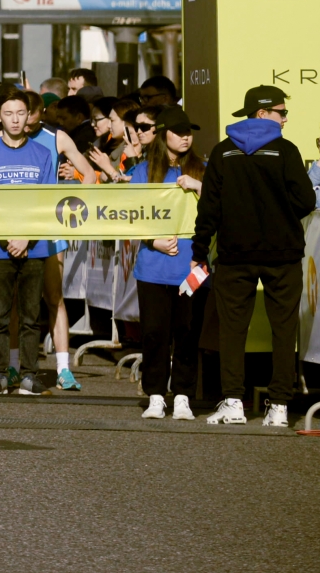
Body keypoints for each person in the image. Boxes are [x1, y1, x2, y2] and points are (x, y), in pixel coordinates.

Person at [193, 85, 317, 428]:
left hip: (235, 253)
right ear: (262, 113)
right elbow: (306, 201)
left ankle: (234, 402)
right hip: (283, 253)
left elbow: (209, 208)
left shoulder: (223, 152)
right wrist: (281, 216)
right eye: (281, 112)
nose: (285, 118)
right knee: (284, 329)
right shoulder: (286, 150)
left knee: (232, 330)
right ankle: (279, 406)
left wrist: (199, 250)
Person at [0, 87, 57, 395]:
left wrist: (26, 236)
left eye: (21, 113)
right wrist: (8, 237)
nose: (16, 119)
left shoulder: (43, 154)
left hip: (34, 245)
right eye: (9, 113)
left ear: (30, 115)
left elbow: (48, 202)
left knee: (32, 317)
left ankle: (30, 374)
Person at [130, 116, 205, 421]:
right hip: (153, 268)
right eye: (179, 132)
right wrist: (153, 240)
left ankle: (184, 395)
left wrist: (198, 185)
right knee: (154, 334)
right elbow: (129, 214)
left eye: (189, 132)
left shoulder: (202, 169)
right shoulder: (143, 171)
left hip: (192, 267)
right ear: (164, 134)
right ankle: (156, 395)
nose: (186, 138)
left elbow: (221, 206)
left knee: (187, 334)